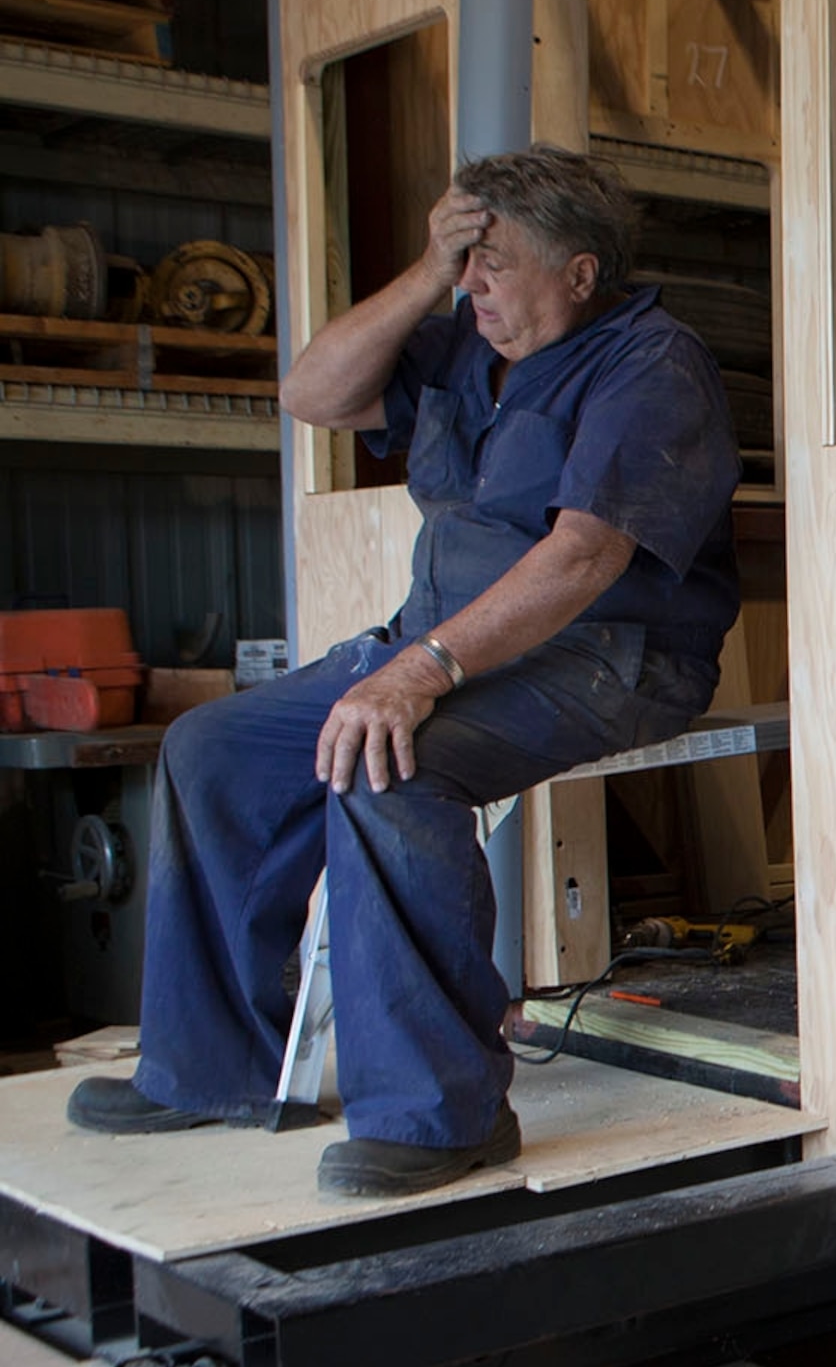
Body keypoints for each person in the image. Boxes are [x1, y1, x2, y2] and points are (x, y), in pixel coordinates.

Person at [67, 146, 741, 1197]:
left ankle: (443, 1109)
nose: (475, 288)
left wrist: (422, 668)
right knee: (213, 748)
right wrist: (431, 271)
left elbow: (584, 557)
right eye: (464, 264)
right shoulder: (464, 344)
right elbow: (311, 392)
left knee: (394, 758)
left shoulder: (650, 361)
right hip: (439, 639)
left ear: (579, 272)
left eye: (495, 264)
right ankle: (212, 1064)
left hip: (610, 651)